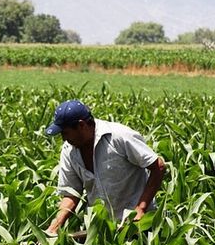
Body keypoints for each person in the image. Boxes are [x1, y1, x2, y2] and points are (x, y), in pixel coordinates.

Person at [45, 99, 165, 235]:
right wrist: (53, 228)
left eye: (65, 133)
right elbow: (71, 194)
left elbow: (158, 166)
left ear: (81, 125)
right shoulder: (69, 150)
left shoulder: (119, 137)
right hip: (103, 231)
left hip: (139, 227)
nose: (63, 138)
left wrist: (140, 209)